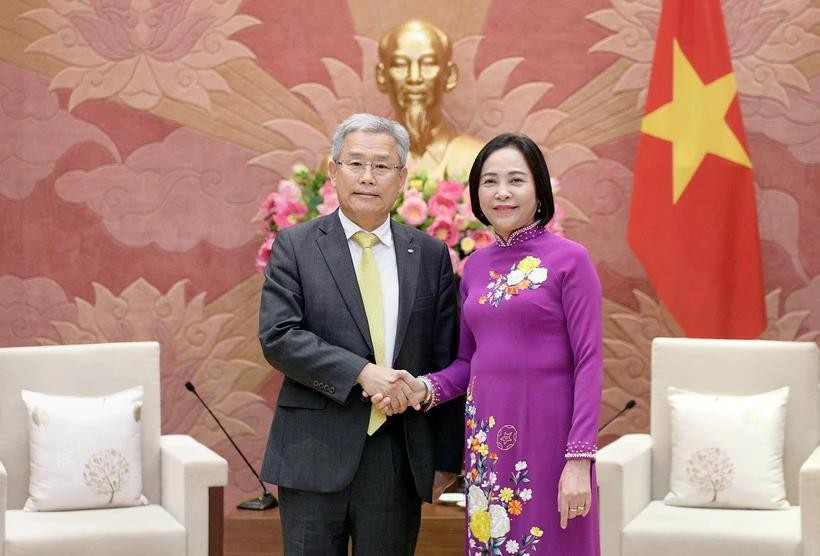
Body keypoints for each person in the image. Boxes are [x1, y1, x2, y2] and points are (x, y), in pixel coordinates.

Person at [373, 133, 603, 554]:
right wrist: (423, 388)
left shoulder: (571, 259)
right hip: (486, 441)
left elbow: (589, 361)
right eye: (490, 181)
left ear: (539, 189)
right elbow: (467, 361)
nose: (502, 193)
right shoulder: (476, 266)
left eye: (516, 180)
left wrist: (579, 459)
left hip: (550, 439)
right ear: (476, 193)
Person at [257, 113, 464, 555]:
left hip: (396, 455)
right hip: (313, 451)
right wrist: (361, 373)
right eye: (355, 163)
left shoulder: (429, 255)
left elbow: (448, 359)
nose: (368, 177)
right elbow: (279, 335)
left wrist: (448, 458)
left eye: (382, 166)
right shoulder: (295, 245)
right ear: (333, 171)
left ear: (402, 177)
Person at [377, 19, 483, 181]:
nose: (414, 77)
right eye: (400, 65)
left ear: (449, 76)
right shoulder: (349, 167)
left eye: (427, 64)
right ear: (382, 76)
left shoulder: (479, 160)